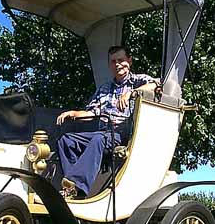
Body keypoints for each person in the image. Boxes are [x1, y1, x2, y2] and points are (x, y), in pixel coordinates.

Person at [56, 45, 157, 199]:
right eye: (113, 61)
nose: (117, 64)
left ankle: (76, 185)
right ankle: (73, 188)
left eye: (121, 60)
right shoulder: (104, 88)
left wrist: (131, 93)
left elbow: (156, 84)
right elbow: (91, 114)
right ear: (110, 65)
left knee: (98, 140)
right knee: (66, 140)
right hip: (102, 131)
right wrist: (74, 113)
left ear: (129, 61)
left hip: (122, 134)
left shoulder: (137, 81)